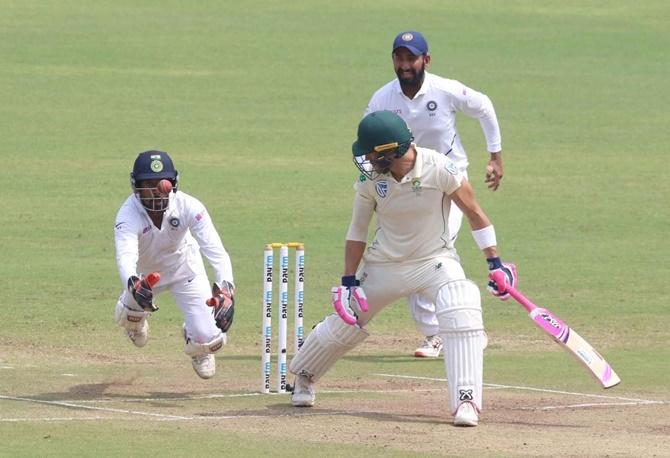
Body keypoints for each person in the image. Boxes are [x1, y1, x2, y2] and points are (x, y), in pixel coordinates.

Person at [288, 111, 516, 426]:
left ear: (391, 150)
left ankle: (466, 401)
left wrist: (495, 264)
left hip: (435, 261)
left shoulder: (440, 168)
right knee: (349, 316)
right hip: (385, 265)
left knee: (462, 303)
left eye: (370, 152)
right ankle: (304, 376)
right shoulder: (370, 180)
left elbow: (475, 212)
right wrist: (348, 281)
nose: (366, 158)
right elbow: (357, 231)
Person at [364, 31, 504, 358]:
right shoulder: (382, 99)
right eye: (399, 57)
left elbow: (483, 107)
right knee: (417, 255)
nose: (404, 64)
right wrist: (369, 182)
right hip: (408, 185)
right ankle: (456, 330)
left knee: (429, 253)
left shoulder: (444, 90)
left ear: (425, 60)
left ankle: (441, 334)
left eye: (411, 58)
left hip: (449, 179)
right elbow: (365, 142)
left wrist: (495, 156)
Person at [114, 150, 236, 379]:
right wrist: (133, 283)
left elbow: (216, 252)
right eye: (147, 184)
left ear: (172, 183)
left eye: (162, 183)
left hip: (185, 270)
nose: (156, 191)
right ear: (136, 186)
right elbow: (125, 256)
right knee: (128, 319)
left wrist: (226, 290)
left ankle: (196, 340)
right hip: (147, 278)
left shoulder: (190, 206)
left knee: (211, 339)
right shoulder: (127, 214)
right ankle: (136, 322)